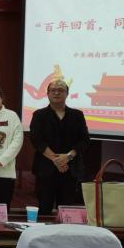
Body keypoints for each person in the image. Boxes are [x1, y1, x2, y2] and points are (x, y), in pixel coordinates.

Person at [30, 80, 90, 215]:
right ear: (48, 94)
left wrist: (68, 157)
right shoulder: (39, 115)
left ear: (67, 94)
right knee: (44, 210)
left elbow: (84, 140)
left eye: (61, 90)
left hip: (70, 170)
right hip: (45, 170)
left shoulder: (77, 115)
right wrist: (57, 160)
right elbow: (36, 140)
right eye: (53, 90)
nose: (56, 93)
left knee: (66, 211)